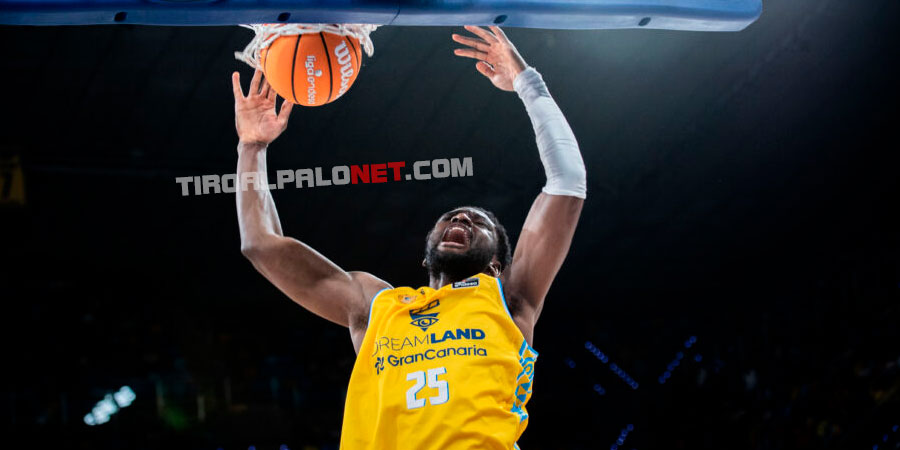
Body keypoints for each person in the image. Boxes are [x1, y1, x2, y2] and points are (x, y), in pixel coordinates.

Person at [231, 25, 586, 450]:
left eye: (480, 223)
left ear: (496, 264)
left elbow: (567, 184)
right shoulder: (377, 306)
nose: (461, 217)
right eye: (451, 217)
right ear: (426, 256)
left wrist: (528, 83)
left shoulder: (510, 299)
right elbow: (261, 244)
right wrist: (252, 148)